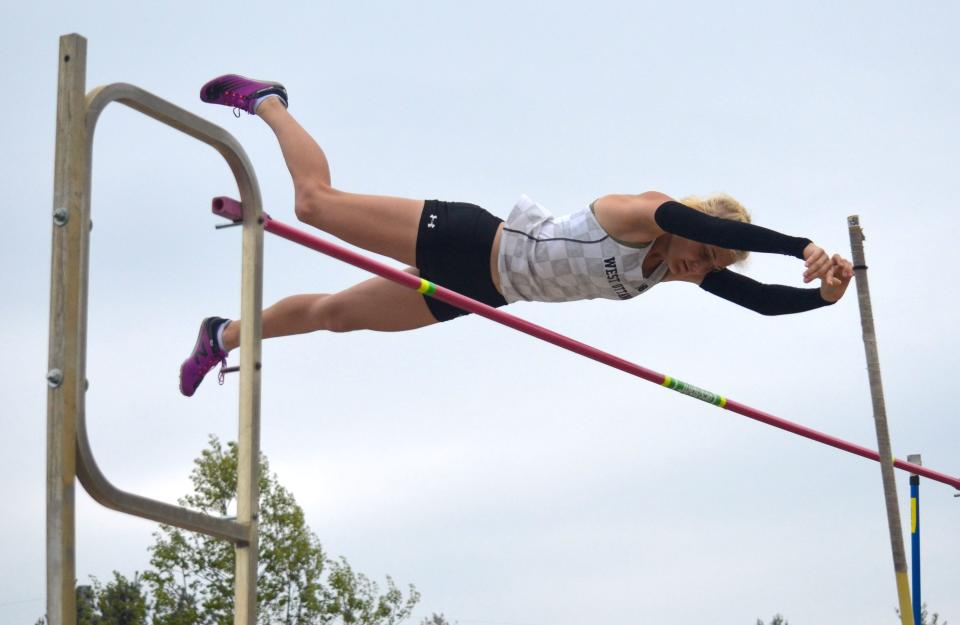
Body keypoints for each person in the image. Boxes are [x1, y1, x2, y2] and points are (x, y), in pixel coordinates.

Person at [179, 74, 854, 397]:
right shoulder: (649, 212)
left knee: (334, 316)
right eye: (702, 256)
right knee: (315, 205)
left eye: (709, 264)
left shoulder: (682, 265)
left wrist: (824, 298)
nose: (696, 267)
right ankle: (267, 100)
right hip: (472, 241)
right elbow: (693, 223)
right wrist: (799, 246)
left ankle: (222, 334)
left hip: (483, 291)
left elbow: (763, 302)